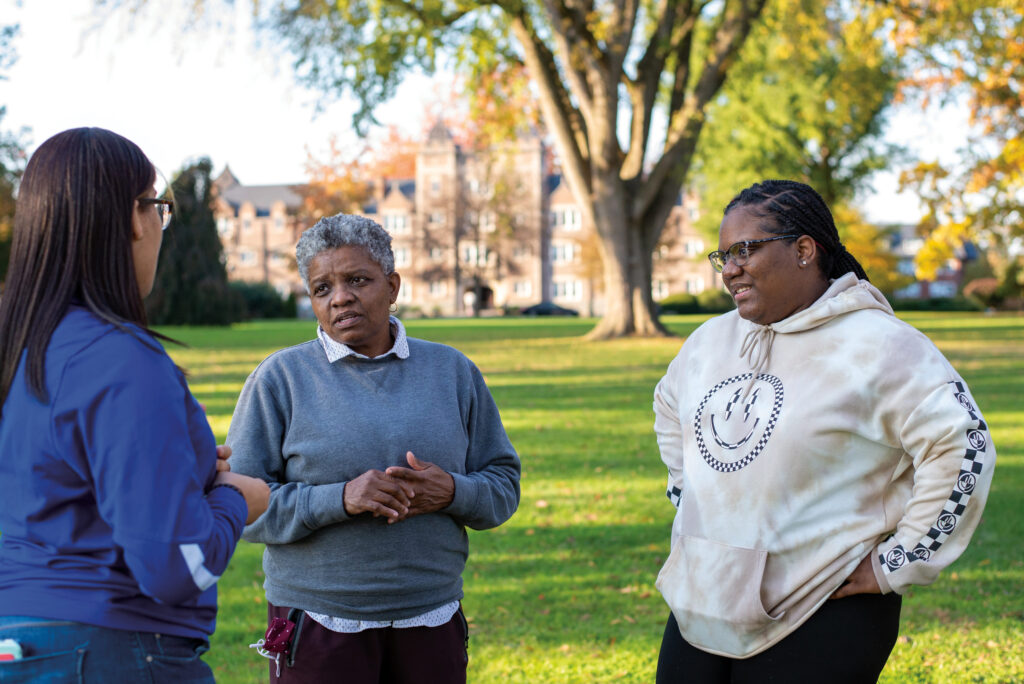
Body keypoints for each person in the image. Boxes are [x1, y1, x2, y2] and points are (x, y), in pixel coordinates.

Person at [653, 179, 995, 683]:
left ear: (804, 250)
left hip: (823, 603)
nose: (729, 269)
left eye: (745, 250)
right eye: (722, 255)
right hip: (703, 597)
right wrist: (691, 499)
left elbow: (963, 443)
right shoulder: (710, 340)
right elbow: (668, 405)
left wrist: (897, 562)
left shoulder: (882, 346)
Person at [0, 127, 270, 683]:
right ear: (131, 216)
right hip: (111, 650)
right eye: (159, 208)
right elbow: (174, 564)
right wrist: (234, 500)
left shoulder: (18, 347)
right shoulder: (119, 358)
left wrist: (187, 472)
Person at [228, 214, 521, 684]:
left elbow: (503, 486)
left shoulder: (452, 371)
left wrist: (450, 492)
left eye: (357, 280)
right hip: (319, 623)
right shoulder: (279, 379)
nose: (339, 296)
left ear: (392, 285)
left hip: (432, 617)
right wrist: (340, 499)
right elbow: (239, 505)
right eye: (322, 288)